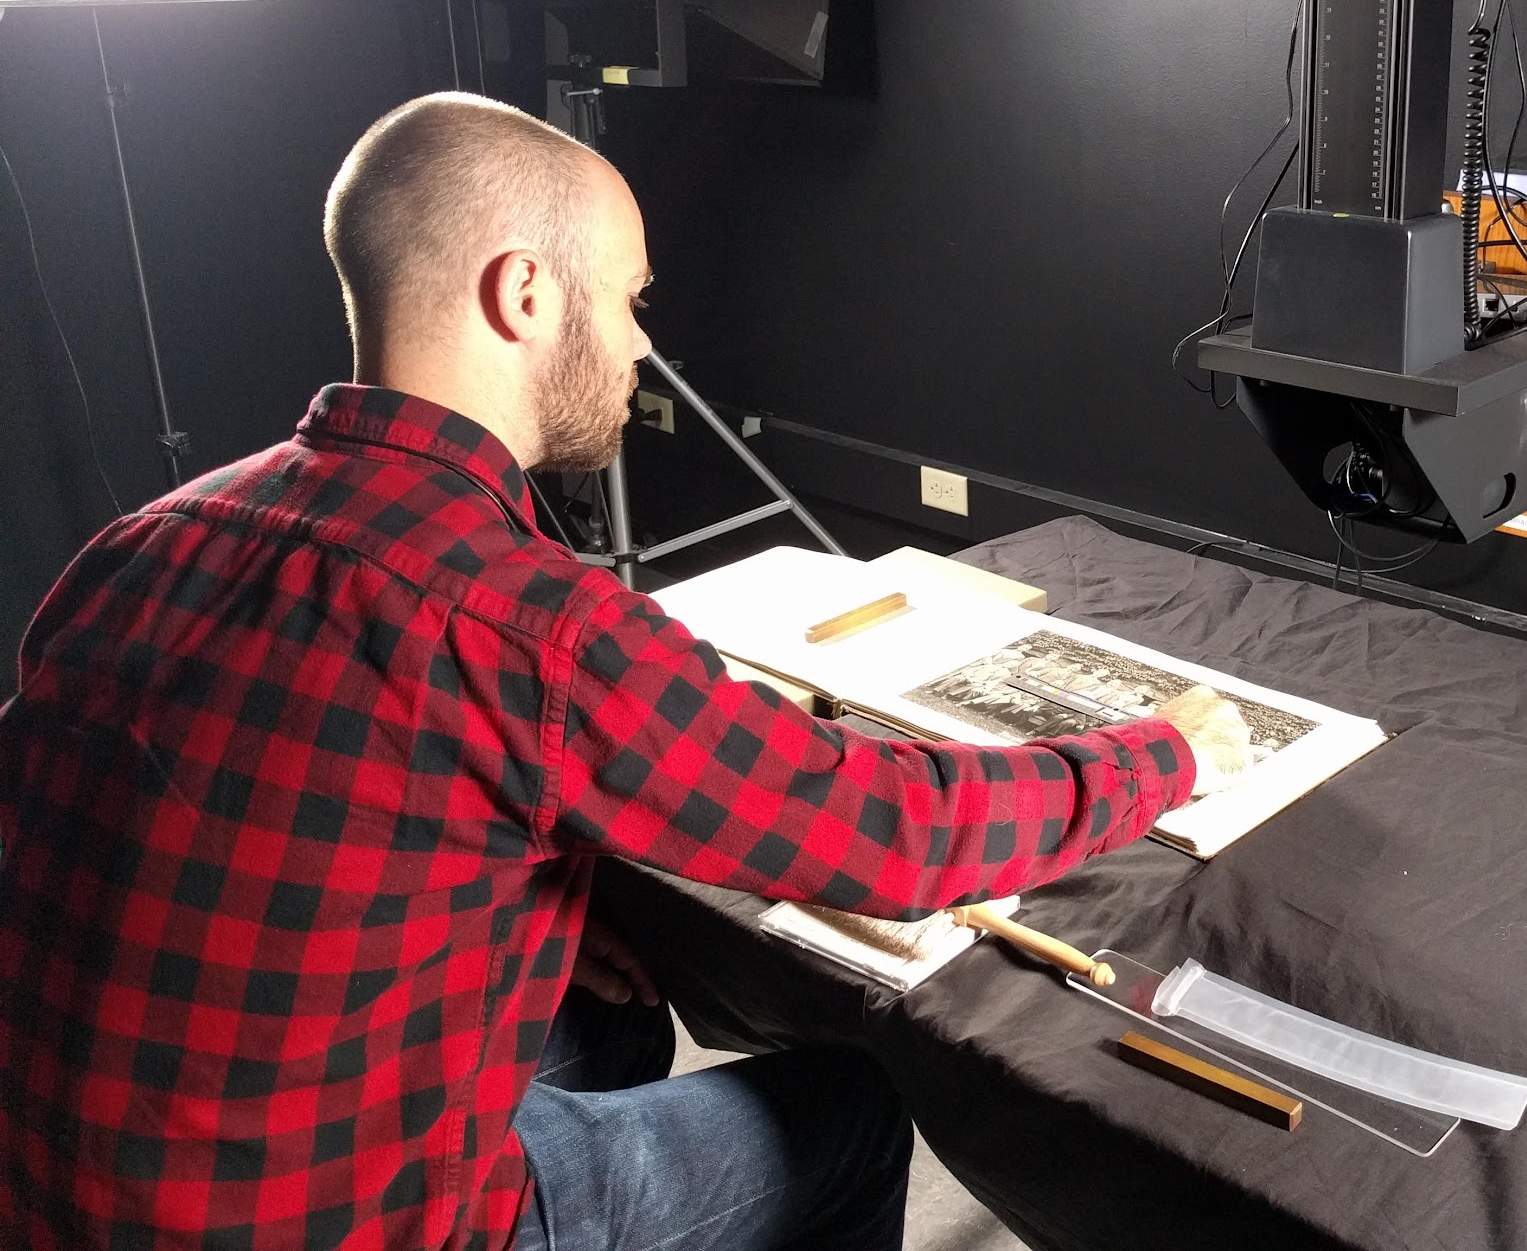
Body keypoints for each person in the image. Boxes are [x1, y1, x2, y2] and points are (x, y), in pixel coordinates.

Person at [0, 92, 1249, 1251]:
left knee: (614, 1020)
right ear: (528, 293)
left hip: (64, 1189)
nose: (643, 344)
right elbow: (895, 837)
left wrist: (548, 898)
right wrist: (1168, 746)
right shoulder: (525, 622)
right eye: (632, 297)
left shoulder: (140, 542)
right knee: (850, 1107)